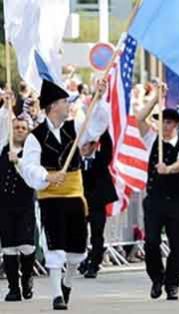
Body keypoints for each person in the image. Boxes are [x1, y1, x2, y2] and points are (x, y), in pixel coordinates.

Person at [20, 79, 109, 310]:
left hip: (75, 195)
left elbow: (97, 126)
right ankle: (57, 295)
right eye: (63, 101)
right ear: (52, 106)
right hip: (51, 198)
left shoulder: (74, 127)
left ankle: (67, 282)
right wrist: (47, 176)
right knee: (54, 245)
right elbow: (27, 166)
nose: (68, 105)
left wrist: (98, 98)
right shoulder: (35, 136)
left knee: (77, 247)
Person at [136, 87, 179, 301]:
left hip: (178, 201)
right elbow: (139, 119)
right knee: (151, 242)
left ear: (177, 124)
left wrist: (168, 169)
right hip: (155, 200)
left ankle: (172, 284)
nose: (165, 125)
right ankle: (157, 278)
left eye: (169, 122)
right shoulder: (152, 139)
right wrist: (155, 98)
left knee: (178, 246)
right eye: (162, 121)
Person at [0, 94, 36, 302]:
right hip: (4, 205)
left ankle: (27, 278)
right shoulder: (3, 147)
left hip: (24, 205)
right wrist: (7, 106)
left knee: (26, 245)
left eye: (23, 128)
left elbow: (33, 177)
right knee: (9, 247)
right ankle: (13, 288)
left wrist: (19, 162)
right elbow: (2, 124)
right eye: (16, 127)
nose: (19, 130)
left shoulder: (31, 152)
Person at [78, 131, 117, 279]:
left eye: (89, 144)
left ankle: (94, 264)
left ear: (95, 145)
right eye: (83, 144)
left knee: (97, 234)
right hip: (80, 203)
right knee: (79, 234)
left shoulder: (101, 159)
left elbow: (108, 146)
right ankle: (83, 259)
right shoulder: (75, 160)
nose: (85, 147)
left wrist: (102, 128)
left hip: (97, 204)